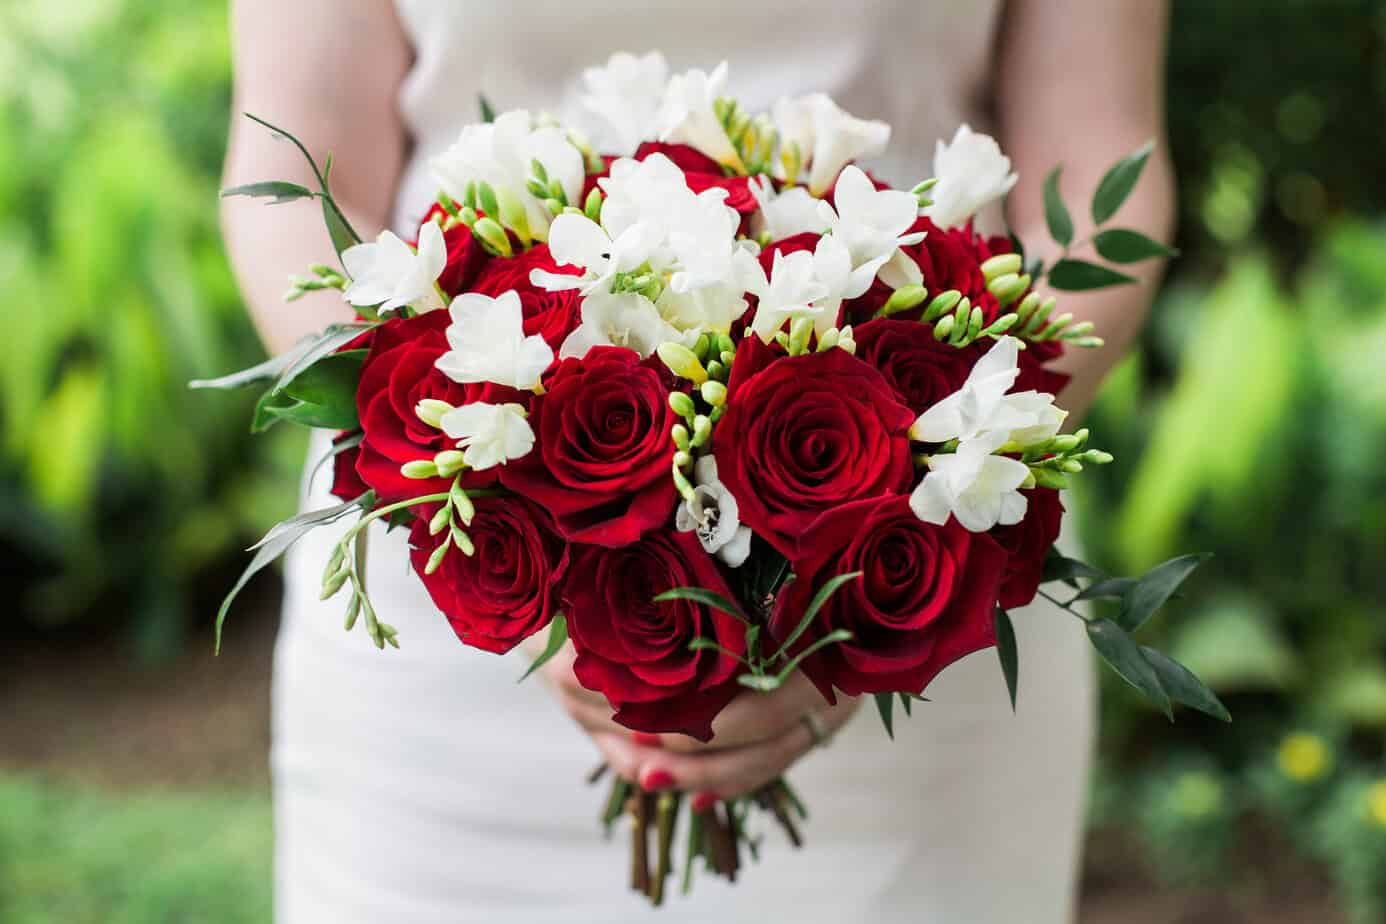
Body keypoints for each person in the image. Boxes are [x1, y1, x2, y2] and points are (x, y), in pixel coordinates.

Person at [221, 2, 1174, 921]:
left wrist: (886, 552)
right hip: (451, 613)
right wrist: (478, 485)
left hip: (918, 586)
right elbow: (300, 177)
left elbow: (1093, 173)